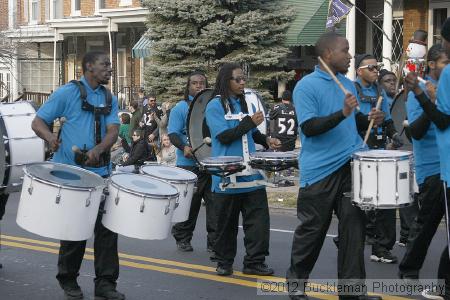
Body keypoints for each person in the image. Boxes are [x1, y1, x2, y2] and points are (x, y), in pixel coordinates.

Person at [286, 32, 383, 300]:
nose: (350, 55)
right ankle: (296, 285)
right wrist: (342, 113)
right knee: (312, 232)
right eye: (346, 50)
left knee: (354, 230)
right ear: (328, 54)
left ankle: (352, 292)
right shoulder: (306, 86)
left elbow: (355, 122)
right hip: (320, 171)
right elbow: (310, 127)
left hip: (351, 165)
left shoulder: (348, 85)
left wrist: (370, 118)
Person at [31, 51, 125, 300]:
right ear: (89, 68)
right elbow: (38, 122)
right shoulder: (67, 92)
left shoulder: (108, 96)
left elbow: (113, 130)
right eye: (105, 65)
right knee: (75, 231)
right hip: (72, 175)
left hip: (102, 173)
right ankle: (69, 280)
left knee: (107, 231)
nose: (110, 69)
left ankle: (106, 284)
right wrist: (50, 137)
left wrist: (99, 150)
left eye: (110, 65)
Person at [205, 62, 281, 277]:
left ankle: (254, 262)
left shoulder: (243, 103)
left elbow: (251, 134)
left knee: (258, 223)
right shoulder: (214, 106)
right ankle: (224, 262)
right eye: (237, 79)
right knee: (225, 225)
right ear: (225, 81)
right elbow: (224, 136)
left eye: (243, 79)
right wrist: (249, 123)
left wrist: (267, 140)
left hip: (251, 172)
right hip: (226, 175)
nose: (242, 83)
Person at [403, 19, 450, 298]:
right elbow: (416, 132)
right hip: (433, 165)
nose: (445, 65)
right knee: (427, 225)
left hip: (444, 164)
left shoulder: (443, 83)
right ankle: (409, 270)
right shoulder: (421, 86)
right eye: (442, 62)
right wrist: (426, 98)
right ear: (431, 64)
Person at [354, 53, 402, 264]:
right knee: (360, 205)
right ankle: (348, 238)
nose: (376, 71)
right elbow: (348, 122)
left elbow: (389, 120)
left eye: (377, 67)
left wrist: (393, 135)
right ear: (359, 71)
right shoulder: (350, 90)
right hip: (358, 152)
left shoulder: (379, 91)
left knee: (386, 202)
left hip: (380, 151)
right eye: (371, 68)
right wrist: (367, 121)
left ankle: (381, 248)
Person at [167, 71, 216, 253]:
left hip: (210, 162)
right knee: (190, 205)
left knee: (215, 206)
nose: (199, 86)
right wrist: (184, 147)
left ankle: (214, 242)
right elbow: (172, 133)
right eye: (194, 83)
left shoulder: (212, 106)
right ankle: (183, 238)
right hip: (188, 164)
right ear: (188, 86)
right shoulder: (180, 107)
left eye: (202, 83)